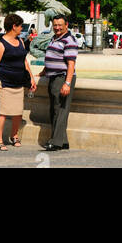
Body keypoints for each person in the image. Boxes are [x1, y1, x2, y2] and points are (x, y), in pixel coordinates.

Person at [0, 14, 37, 151]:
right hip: (4, 83)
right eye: (20, 26)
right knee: (2, 113)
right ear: (14, 26)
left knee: (17, 112)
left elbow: (24, 61)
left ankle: (14, 136)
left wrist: (31, 78)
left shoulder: (21, 41)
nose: (22, 28)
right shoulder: (0, 44)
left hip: (19, 83)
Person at [41, 14, 79, 151]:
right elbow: (52, 56)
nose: (57, 28)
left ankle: (55, 142)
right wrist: (44, 70)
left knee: (61, 111)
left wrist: (67, 83)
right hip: (53, 77)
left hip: (62, 78)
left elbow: (71, 64)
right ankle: (63, 141)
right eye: (55, 25)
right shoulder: (55, 38)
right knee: (55, 110)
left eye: (59, 25)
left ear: (66, 25)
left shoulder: (69, 40)